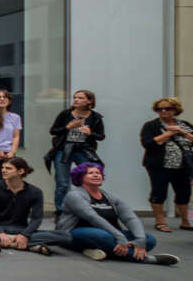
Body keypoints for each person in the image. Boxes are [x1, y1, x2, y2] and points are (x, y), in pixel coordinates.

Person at [58, 162, 178, 265]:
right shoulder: (74, 195)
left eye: (98, 173)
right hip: (74, 233)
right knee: (104, 237)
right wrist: (120, 237)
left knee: (149, 240)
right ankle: (146, 259)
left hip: (110, 234)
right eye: (90, 173)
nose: (96, 175)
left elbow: (130, 218)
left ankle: (95, 250)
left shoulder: (111, 197)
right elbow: (93, 218)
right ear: (80, 177)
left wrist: (140, 239)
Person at [0, 158, 71, 255]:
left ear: (21, 171)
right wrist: (0, 233)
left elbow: (36, 218)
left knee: (66, 236)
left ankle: (8, 241)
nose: (3, 170)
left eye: (8, 168)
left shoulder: (35, 192)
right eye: (3, 167)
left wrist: (24, 235)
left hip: (21, 229)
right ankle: (23, 244)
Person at [46, 90, 105, 218]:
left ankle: (87, 208)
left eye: (80, 98)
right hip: (64, 150)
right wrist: (68, 127)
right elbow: (53, 131)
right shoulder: (65, 114)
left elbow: (101, 136)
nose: (76, 100)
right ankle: (61, 211)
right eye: (75, 97)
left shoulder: (95, 117)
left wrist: (91, 133)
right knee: (62, 182)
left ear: (89, 101)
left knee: (88, 179)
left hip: (83, 150)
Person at [139, 97, 193, 232]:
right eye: (159, 109)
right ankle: (160, 221)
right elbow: (147, 143)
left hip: (183, 166)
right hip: (159, 165)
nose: (163, 111)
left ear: (175, 110)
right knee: (159, 192)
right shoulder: (151, 125)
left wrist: (182, 131)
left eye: (167, 108)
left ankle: (185, 221)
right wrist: (168, 134)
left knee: (184, 193)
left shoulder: (184, 124)